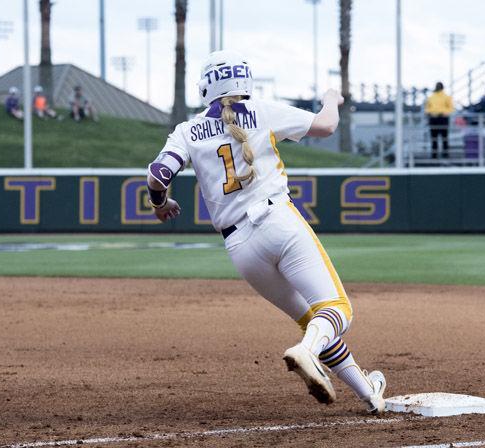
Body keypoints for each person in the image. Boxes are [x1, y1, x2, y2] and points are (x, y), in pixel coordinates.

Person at [145, 50, 387, 414]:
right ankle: (307, 352)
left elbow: (158, 175)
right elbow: (326, 126)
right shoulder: (261, 110)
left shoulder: (187, 130)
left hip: (240, 247)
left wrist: (160, 204)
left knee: (312, 319)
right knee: (337, 309)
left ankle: (369, 393)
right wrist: (331, 99)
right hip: (277, 222)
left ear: (206, 86)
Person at [425, 82, 454, 159]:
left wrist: (445, 113)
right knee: (434, 138)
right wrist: (430, 113)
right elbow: (427, 108)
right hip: (433, 118)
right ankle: (434, 155)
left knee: (444, 137)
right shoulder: (431, 97)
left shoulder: (446, 97)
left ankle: (445, 154)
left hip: (443, 118)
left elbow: (451, 108)